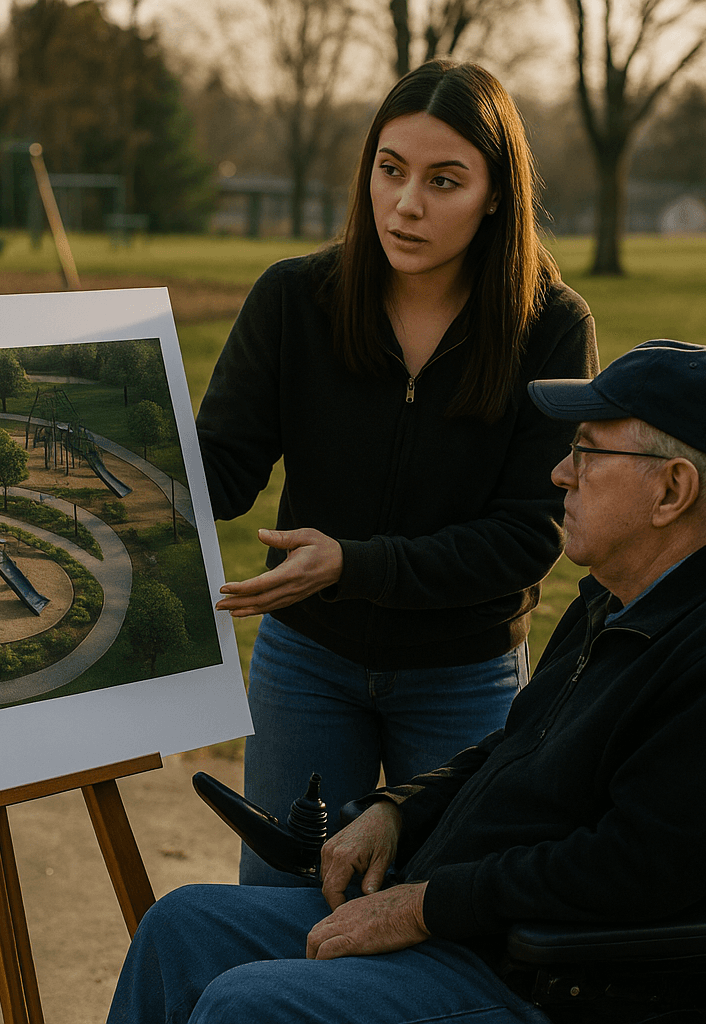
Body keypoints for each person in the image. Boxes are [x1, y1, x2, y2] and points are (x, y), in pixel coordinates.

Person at [108, 340, 706, 1024]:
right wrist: (397, 808)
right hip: (476, 926)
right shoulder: (626, 595)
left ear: (672, 489)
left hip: (549, 982)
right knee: (182, 928)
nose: (559, 474)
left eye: (586, 453)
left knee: (248, 1006)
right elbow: (515, 745)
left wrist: (424, 907)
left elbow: (632, 871)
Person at [195, 60, 598, 885]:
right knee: (281, 906)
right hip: (306, 660)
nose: (406, 204)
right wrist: (111, 437)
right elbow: (223, 475)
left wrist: (354, 563)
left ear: (495, 195)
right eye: (390, 170)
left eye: (443, 181)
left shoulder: (551, 327)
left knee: (434, 917)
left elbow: (529, 535)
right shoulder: (293, 299)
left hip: (467, 672)